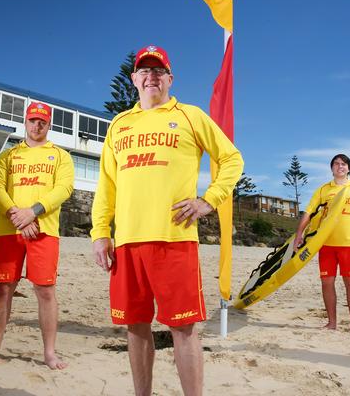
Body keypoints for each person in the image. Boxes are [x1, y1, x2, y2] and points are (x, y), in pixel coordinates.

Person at [91, 45, 243, 396]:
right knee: (135, 326)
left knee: (184, 328)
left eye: (158, 71)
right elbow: (106, 186)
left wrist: (209, 200)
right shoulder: (119, 124)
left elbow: (232, 159)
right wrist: (100, 233)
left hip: (174, 239)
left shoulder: (190, 115)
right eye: (144, 70)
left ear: (170, 78)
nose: (151, 76)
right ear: (134, 79)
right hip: (127, 243)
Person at [0, 101, 74, 371]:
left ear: (49, 125)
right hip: (8, 231)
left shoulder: (60, 156)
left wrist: (33, 212)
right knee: (3, 289)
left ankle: (50, 353)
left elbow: (64, 189)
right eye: (33, 120)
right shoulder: (9, 156)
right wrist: (18, 216)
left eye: (43, 122)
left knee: (45, 290)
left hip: (44, 230)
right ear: (25, 122)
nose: (37, 126)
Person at [293, 153, 350, 335]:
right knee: (326, 282)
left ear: (349, 168)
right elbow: (308, 213)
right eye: (336, 163)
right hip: (325, 244)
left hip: (349, 244)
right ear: (331, 168)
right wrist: (299, 233)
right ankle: (332, 323)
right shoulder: (323, 190)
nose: (340, 166)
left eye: (344, 164)